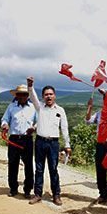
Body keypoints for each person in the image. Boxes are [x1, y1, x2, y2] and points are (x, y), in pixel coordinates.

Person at [27, 76, 71, 206]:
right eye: (46, 95)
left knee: (53, 169)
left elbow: (64, 128)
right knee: (39, 169)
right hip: (40, 142)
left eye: (51, 94)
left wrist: (67, 145)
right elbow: (32, 96)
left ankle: (56, 195)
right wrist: (30, 86)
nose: (49, 97)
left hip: (54, 143)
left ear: (55, 96)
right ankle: (37, 194)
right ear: (43, 97)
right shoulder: (39, 107)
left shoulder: (60, 110)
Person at [0, 84, 37, 198]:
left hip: (27, 139)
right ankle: (13, 188)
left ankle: (27, 189)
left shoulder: (33, 107)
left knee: (29, 165)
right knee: (12, 164)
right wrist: (5, 125)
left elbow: (38, 121)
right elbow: (5, 119)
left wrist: (34, 128)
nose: (22, 96)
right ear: (16, 95)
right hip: (14, 139)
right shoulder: (11, 107)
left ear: (28, 96)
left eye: (24, 94)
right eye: (19, 94)